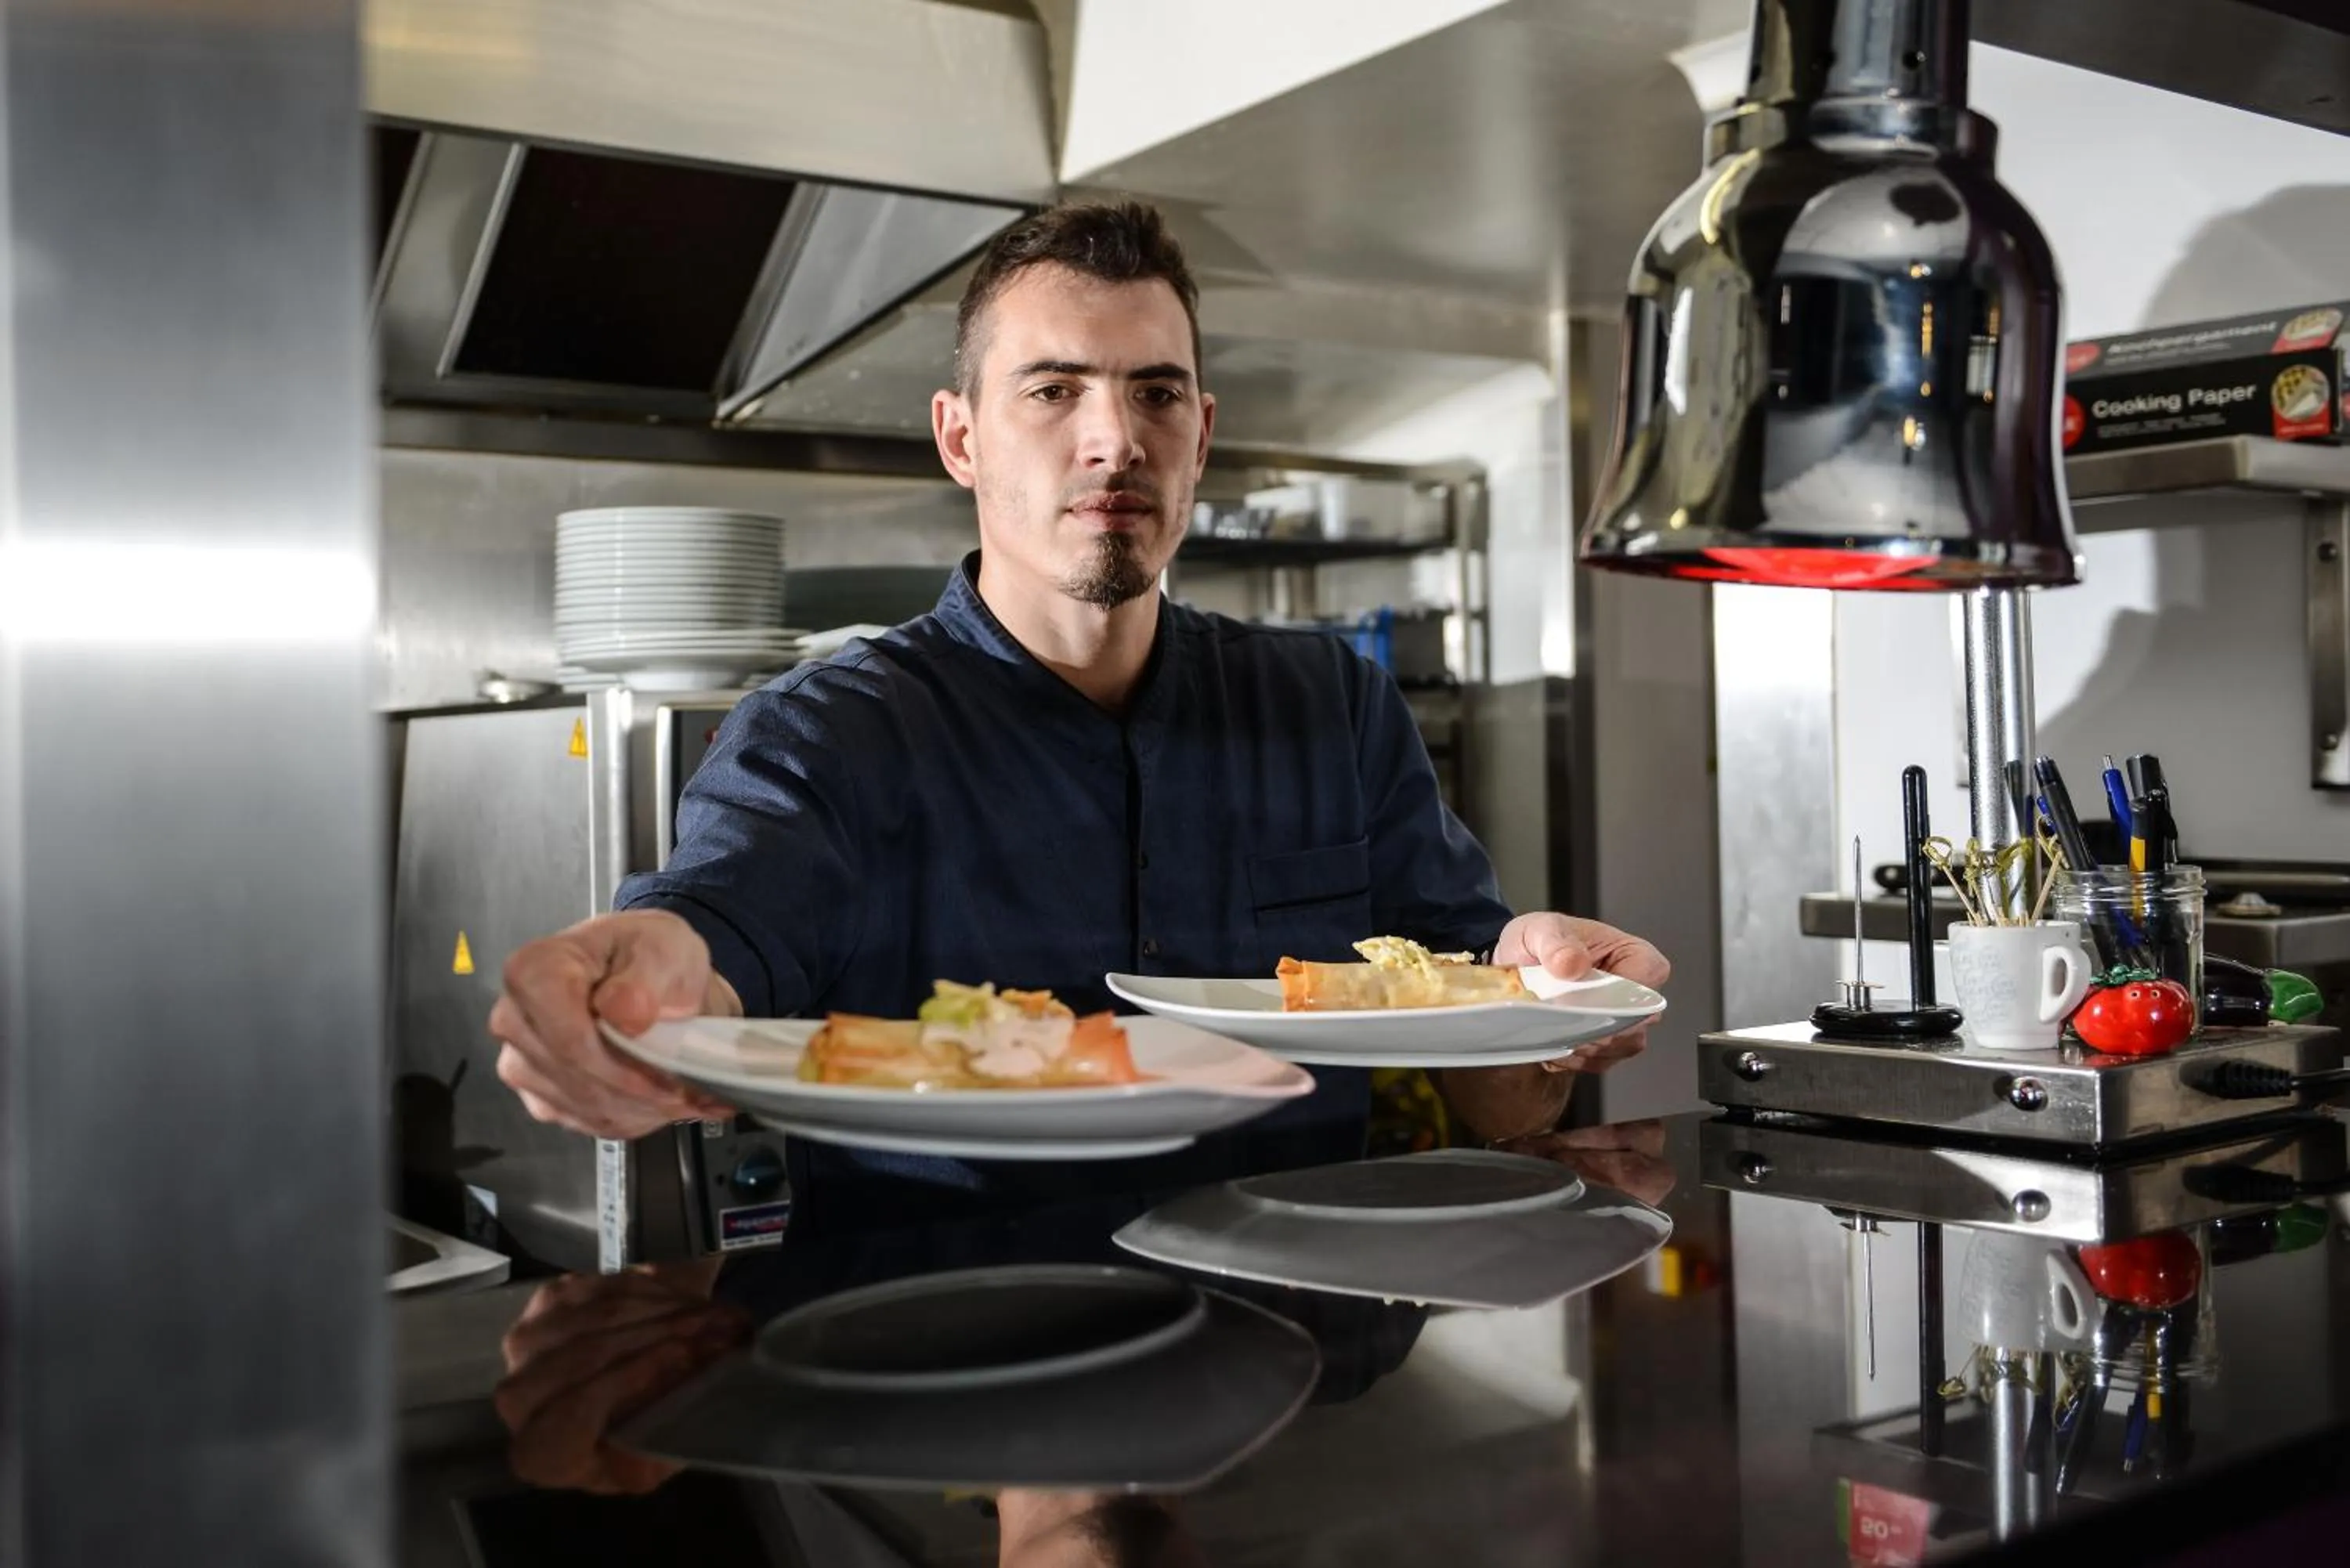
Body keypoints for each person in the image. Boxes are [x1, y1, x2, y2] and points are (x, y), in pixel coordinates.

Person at [489, 201, 1668, 1233]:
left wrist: (1547, 1000)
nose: (1115, 439)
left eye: (1155, 393)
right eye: (1053, 391)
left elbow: (1505, 1097)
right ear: (961, 436)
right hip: (934, 1351)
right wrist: (644, 975)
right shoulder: (826, 735)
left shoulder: (1333, 710)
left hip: (1294, 1350)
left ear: (1201, 434)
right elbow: (717, 926)